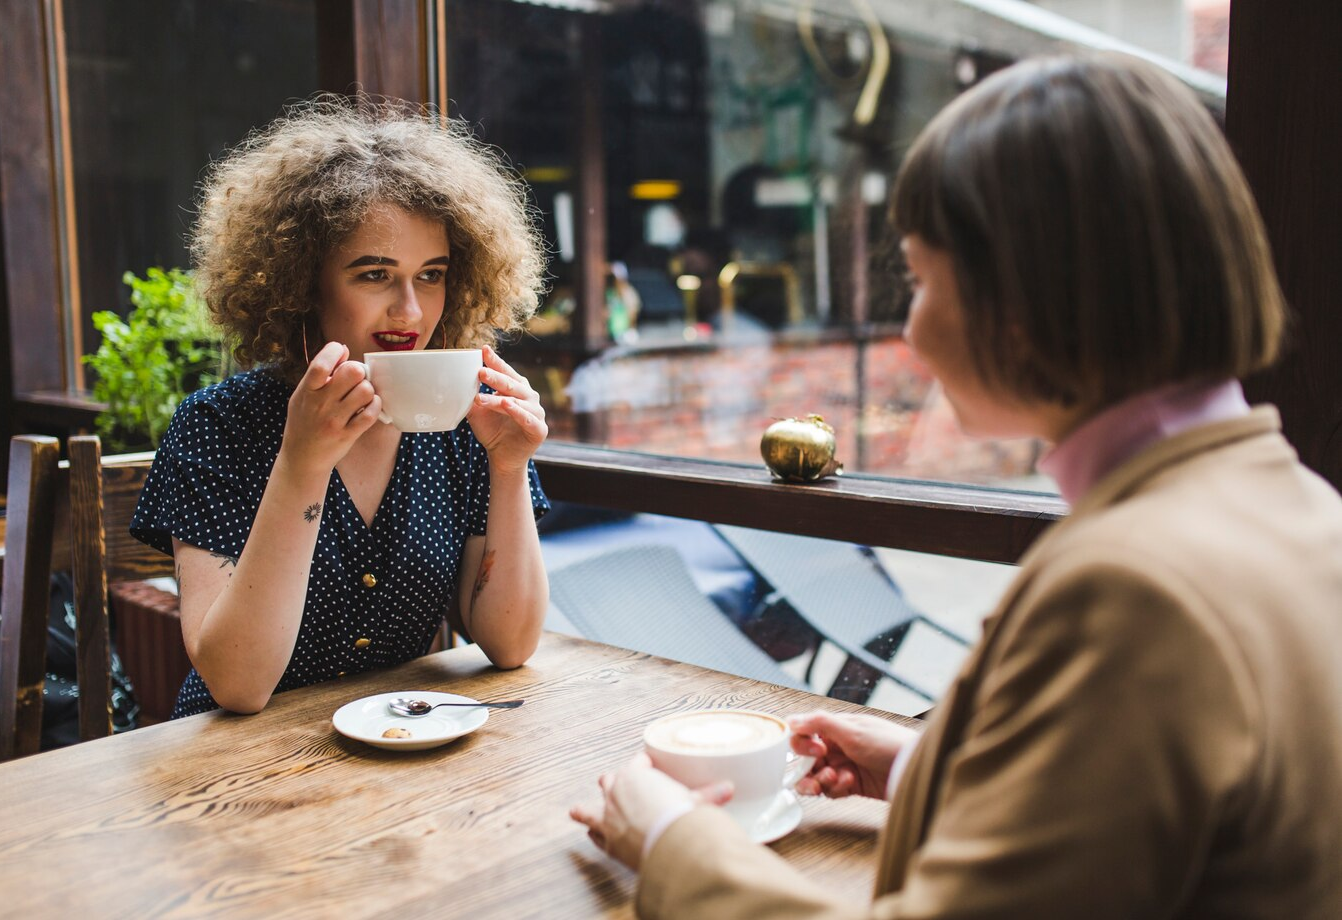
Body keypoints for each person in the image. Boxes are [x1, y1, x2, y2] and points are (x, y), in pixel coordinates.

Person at [571, 53, 1342, 917]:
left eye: (922, 279)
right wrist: (920, 765)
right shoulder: (1303, 510)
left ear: (1020, 297)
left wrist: (672, 843)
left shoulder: (1134, 587)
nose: (912, 327)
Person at [131, 97, 551, 717]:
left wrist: (509, 470)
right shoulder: (219, 425)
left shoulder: (463, 424)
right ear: (303, 284)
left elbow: (511, 644)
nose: (410, 311)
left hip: (400, 753)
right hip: (231, 773)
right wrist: (301, 462)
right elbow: (238, 685)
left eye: (430, 275)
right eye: (375, 275)